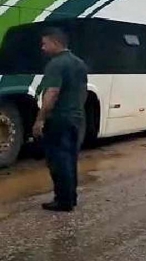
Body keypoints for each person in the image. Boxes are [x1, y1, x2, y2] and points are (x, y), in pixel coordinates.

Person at [33, 27, 88, 212]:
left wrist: (40, 119)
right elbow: (83, 92)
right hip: (76, 118)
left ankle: (62, 201)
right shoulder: (79, 63)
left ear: (56, 43)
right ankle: (70, 198)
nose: (42, 47)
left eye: (45, 43)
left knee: (58, 160)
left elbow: (52, 93)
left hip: (59, 119)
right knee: (70, 159)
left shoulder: (56, 64)